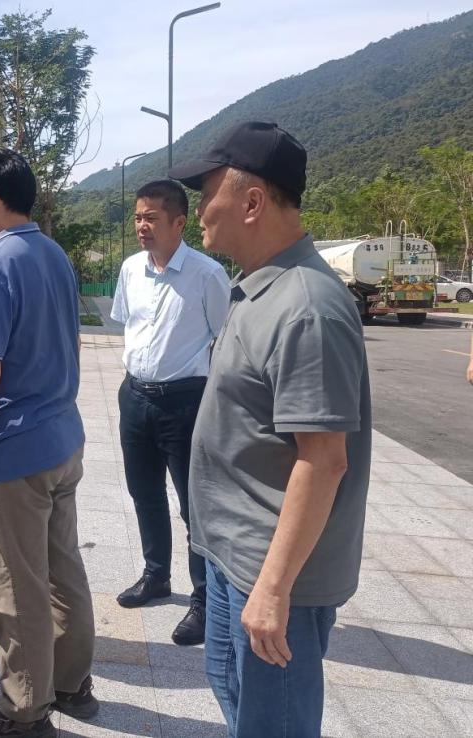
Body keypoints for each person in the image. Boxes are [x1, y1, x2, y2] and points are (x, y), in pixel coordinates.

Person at [168, 121, 371, 737]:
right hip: (233, 555)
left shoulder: (306, 307)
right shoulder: (259, 288)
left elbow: (324, 459)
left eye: (208, 194)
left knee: (273, 724)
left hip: (272, 572)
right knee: (234, 694)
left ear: (252, 201)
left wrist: (275, 589)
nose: (200, 212)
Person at [0, 148, 96, 738]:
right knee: (62, 569)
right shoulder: (52, 253)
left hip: (14, 451)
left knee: (13, 585)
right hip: (62, 438)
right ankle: (72, 683)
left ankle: (23, 710)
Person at [111, 180, 230, 646]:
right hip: (135, 396)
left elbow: (226, 340)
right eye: (138, 217)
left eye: (152, 218)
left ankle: (205, 599)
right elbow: (132, 326)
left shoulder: (207, 274)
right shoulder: (130, 269)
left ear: (179, 222)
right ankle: (156, 575)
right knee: (144, 492)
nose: (142, 226)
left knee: (193, 504)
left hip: (186, 402)